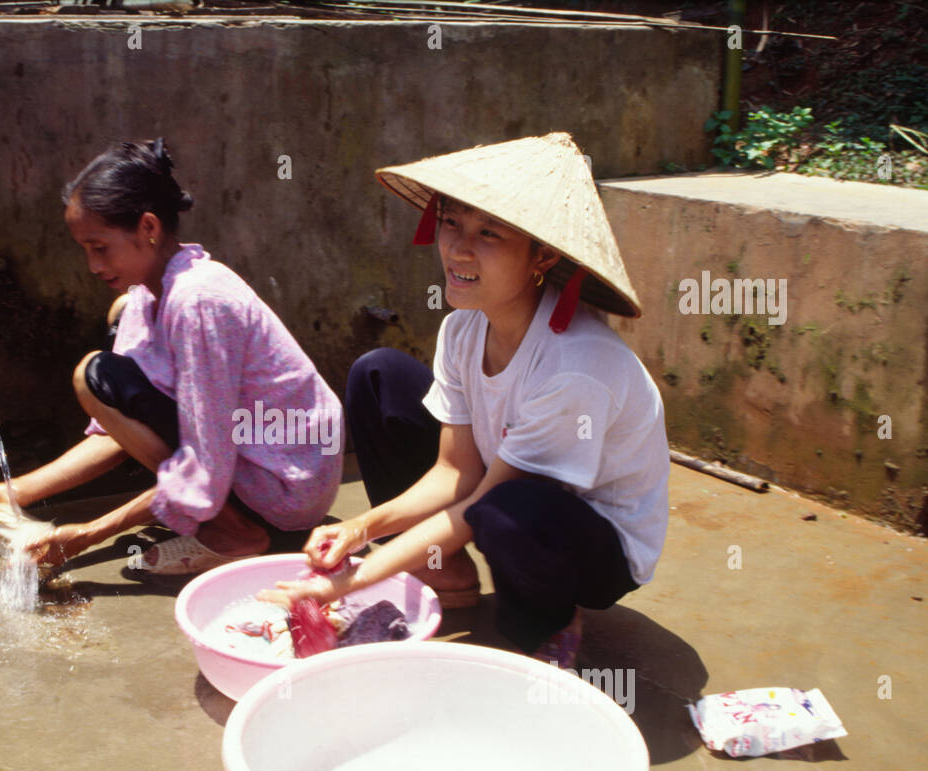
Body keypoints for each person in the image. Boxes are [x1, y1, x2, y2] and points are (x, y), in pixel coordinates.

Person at [262, 133, 669, 668]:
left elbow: (481, 505)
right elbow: (455, 471)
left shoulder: (577, 366)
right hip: (505, 493)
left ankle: (547, 620)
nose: (457, 248)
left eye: (489, 233)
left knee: (505, 511)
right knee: (378, 374)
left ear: (541, 256)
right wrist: (359, 529)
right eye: (451, 222)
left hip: (596, 547)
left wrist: (346, 581)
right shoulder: (462, 329)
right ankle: (442, 565)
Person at [0, 138, 343, 575]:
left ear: (149, 228)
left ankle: (236, 532)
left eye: (100, 247)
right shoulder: (144, 296)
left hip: (287, 487)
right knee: (108, 353)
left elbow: (207, 461)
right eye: (84, 249)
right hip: (253, 465)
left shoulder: (199, 301)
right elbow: (115, 435)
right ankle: (222, 518)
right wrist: (10, 493)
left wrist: (89, 534)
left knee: (94, 374)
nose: (93, 266)